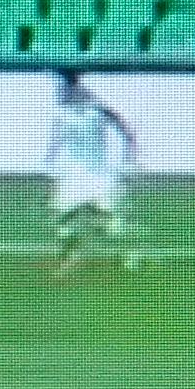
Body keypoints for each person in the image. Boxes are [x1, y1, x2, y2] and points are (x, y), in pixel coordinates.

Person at [45, 71, 141, 271]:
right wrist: (51, 160)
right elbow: (56, 139)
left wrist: (129, 153)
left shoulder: (94, 107)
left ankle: (128, 257)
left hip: (97, 174)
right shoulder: (63, 111)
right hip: (74, 174)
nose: (61, 90)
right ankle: (68, 259)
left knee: (109, 222)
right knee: (63, 218)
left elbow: (123, 128)